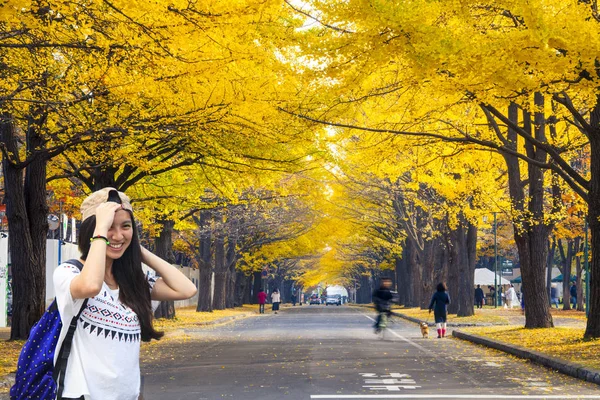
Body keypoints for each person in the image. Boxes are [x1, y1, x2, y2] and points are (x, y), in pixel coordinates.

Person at [53, 187, 197, 400]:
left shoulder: (134, 283)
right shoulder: (69, 272)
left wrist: (138, 250)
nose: (118, 235)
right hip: (83, 394)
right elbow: (92, 286)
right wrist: (101, 227)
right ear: (92, 230)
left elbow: (187, 289)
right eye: (109, 227)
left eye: (125, 226)